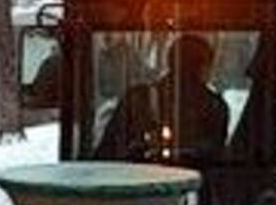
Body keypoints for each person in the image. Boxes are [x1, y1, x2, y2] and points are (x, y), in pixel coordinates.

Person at [95, 35, 231, 164]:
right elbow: (215, 159)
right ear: (204, 68)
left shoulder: (137, 99)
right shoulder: (215, 107)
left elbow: (106, 155)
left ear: (170, 62)